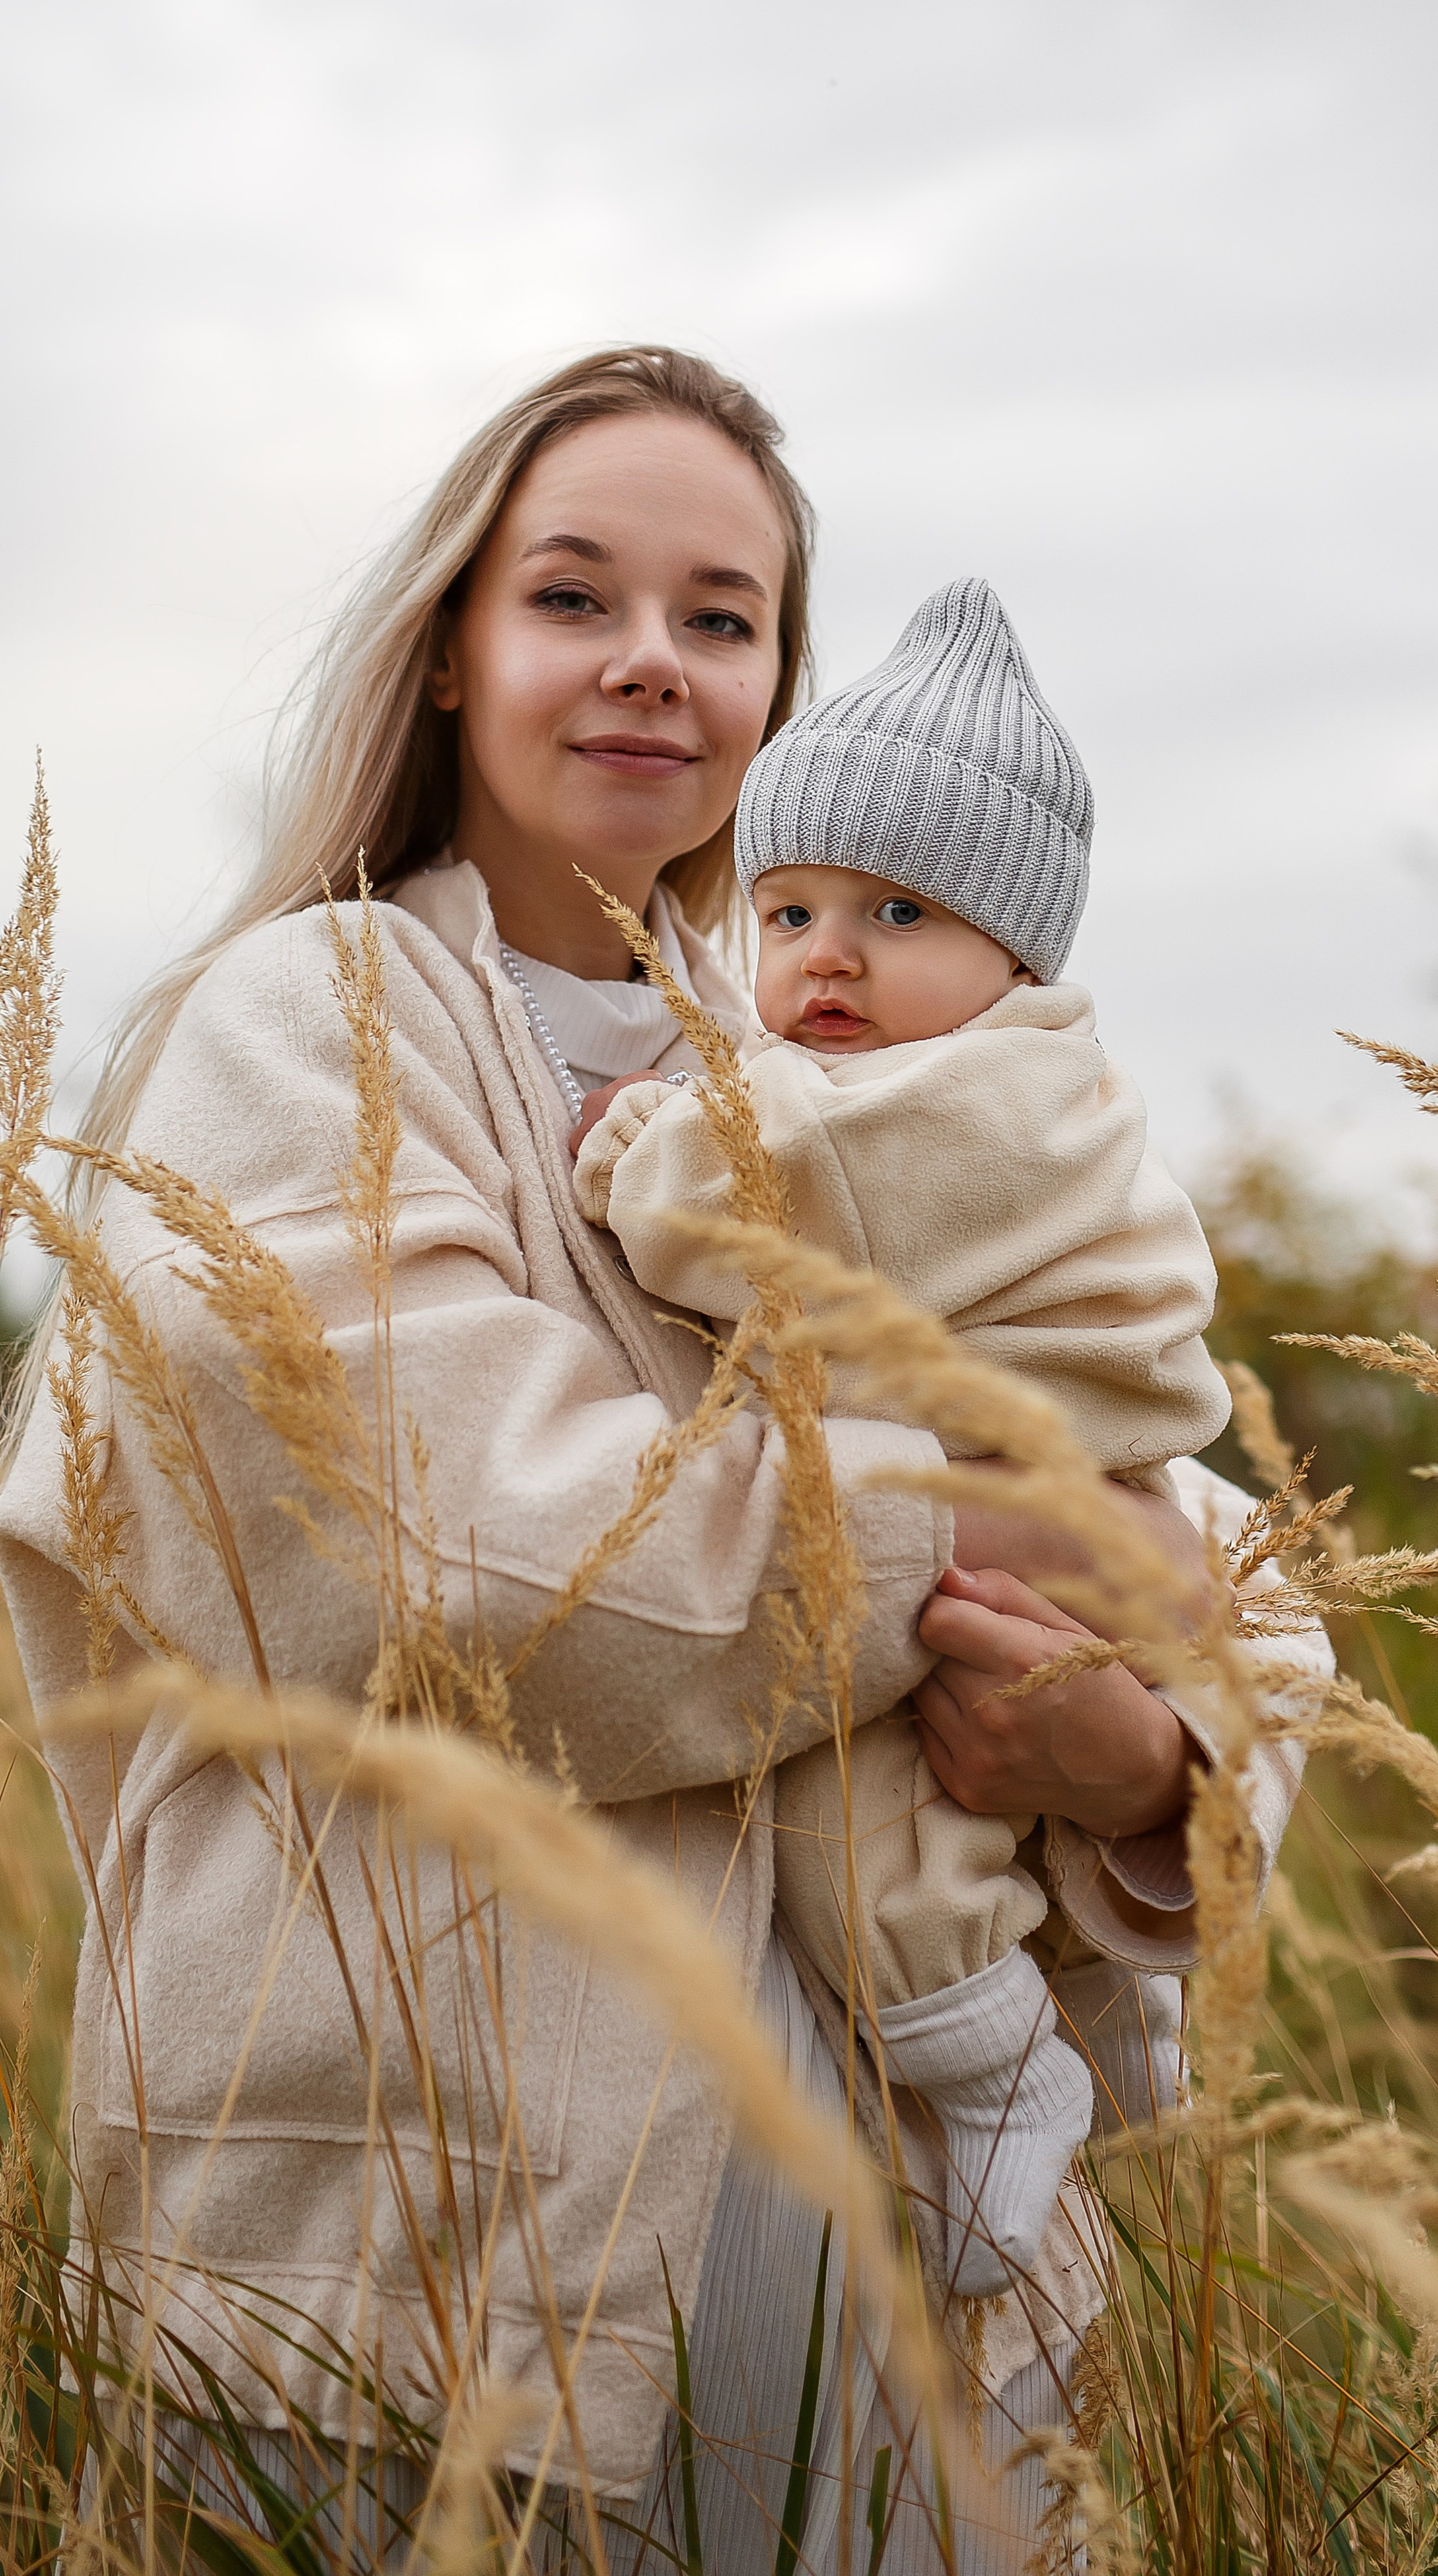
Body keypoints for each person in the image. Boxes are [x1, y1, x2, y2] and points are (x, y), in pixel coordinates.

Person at [0, 346, 1322, 2571]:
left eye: (722, 617)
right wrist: (1001, 1532)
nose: (650, 662)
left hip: (926, 2300)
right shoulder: (308, 1027)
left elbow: (1212, 1546)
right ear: (449, 651)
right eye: (573, 596)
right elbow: (460, 1563)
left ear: (778, 689)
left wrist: (1139, 1763)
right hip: (433, 2295)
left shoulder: (855, 1067)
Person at [569, 575, 1235, 2302]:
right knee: (964, 1793)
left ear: (1016, 954)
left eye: (895, 911)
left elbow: (751, 1204)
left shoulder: (964, 1100)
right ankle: (1104, 2042)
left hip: (1011, 1496)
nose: (825, 957)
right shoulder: (975, 1083)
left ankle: (991, 2067)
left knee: (858, 1812)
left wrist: (631, 1146)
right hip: (1047, 1504)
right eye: (785, 910)